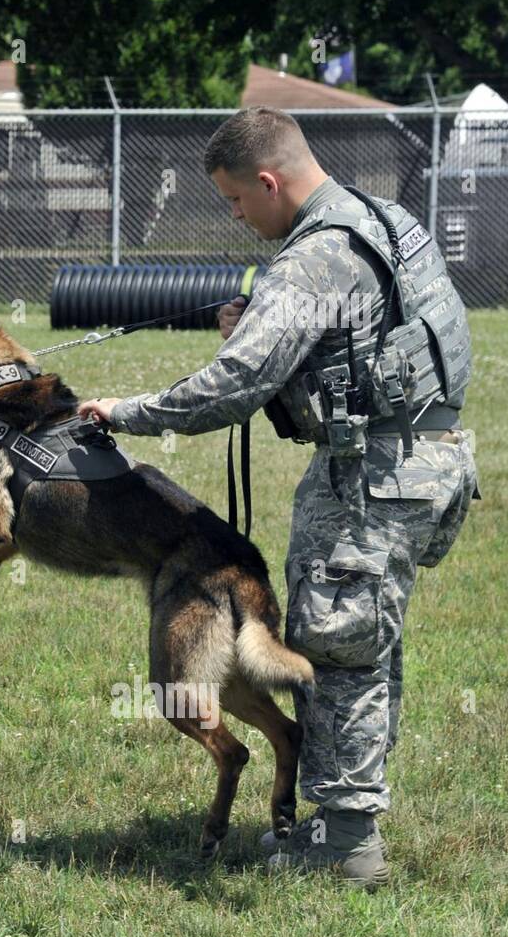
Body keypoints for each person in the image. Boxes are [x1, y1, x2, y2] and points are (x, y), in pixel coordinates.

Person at [78, 106, 478, 889]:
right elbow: (374, 341)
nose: (236, 216)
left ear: (268, 180)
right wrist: (262, 330)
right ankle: (339, 816)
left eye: (234, 201)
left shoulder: (311, 260)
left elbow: (232, 388)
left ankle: (347, 845)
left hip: (370, 482)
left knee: (336, 653)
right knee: (365, 646)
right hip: (431, 464)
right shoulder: (381, 219)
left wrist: (122, 412)